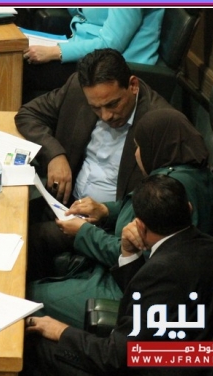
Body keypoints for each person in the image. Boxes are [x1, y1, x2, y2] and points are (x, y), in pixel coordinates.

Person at [19, 174, 213, 376]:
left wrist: (60, 331)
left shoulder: (163, 272)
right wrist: (128, 253)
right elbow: (149, 300)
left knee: (33, 347)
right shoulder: (212, 248)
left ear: (140, 226)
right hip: (178, 363)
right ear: (189, 209)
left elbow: (112, 358)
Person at [27, 109, 213, 328]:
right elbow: (139, 209)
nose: (136, 154)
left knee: (30, 297)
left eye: (138, 147)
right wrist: (105, 211)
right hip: (118, 270)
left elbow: (135, 256)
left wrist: (84, 232)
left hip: (126, 287)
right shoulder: (189, 172)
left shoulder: (173, 187)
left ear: (155, 146)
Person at [17, 48, 175, 272]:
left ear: (133, 85)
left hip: (107, 224)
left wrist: (104, 212)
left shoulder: (159, 123)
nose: (106, 116)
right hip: (63, 202)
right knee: (10, 217)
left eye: (113, 104)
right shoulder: (78, 88)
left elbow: (154, 206)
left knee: (25, 240)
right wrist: (55, 154)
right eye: (96, 108)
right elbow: (27, 114)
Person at [22, 8, 164, 103]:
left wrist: (55, 52)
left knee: (23, 69)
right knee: (19, 58)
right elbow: (79, 11)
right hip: (87, 50)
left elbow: (111, 44)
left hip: (117, 64)